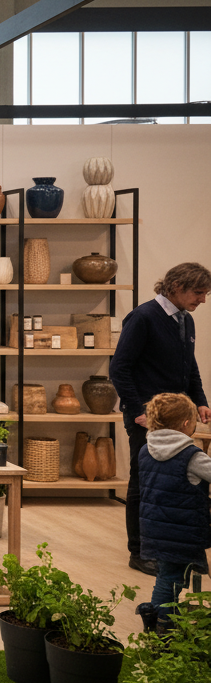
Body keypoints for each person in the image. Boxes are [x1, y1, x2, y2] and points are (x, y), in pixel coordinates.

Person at [111, 262, 211, 576]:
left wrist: (200, 402)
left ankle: (176, 551)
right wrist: (139, 410)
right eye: (198, 292)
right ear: (176, 286)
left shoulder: (186, 320)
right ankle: (140, 552)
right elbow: (120, 368)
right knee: (145, 483)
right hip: (148, 419)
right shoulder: (143, 318)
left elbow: (189, 367)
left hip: (179, 416)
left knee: (180, 484)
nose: (203, 300)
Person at [133, 393, 211, 630]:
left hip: (154, 528)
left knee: (166, 578)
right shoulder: (191, 456)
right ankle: (163, 632)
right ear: (186, 424)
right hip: (182, 531)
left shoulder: (145, 450)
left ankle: (156, 623)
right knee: (171, 582)